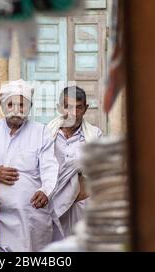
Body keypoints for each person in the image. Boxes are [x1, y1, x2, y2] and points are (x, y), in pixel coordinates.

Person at [0, 79, 59, 251]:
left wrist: (46, 191)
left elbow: (50, 168)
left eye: (22, 105)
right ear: (2, 105)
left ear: (29, 107)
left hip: (29, 219)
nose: (16, 110)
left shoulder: (41, 132)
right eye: (11, 104)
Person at [48, 86, 103, 240]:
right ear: (60, 107)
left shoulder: (94, 135)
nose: (73, 113)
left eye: (78, 107)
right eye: (68, 107)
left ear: (85, 109)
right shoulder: (46, 134)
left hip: (82, 203)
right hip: (53, 204)